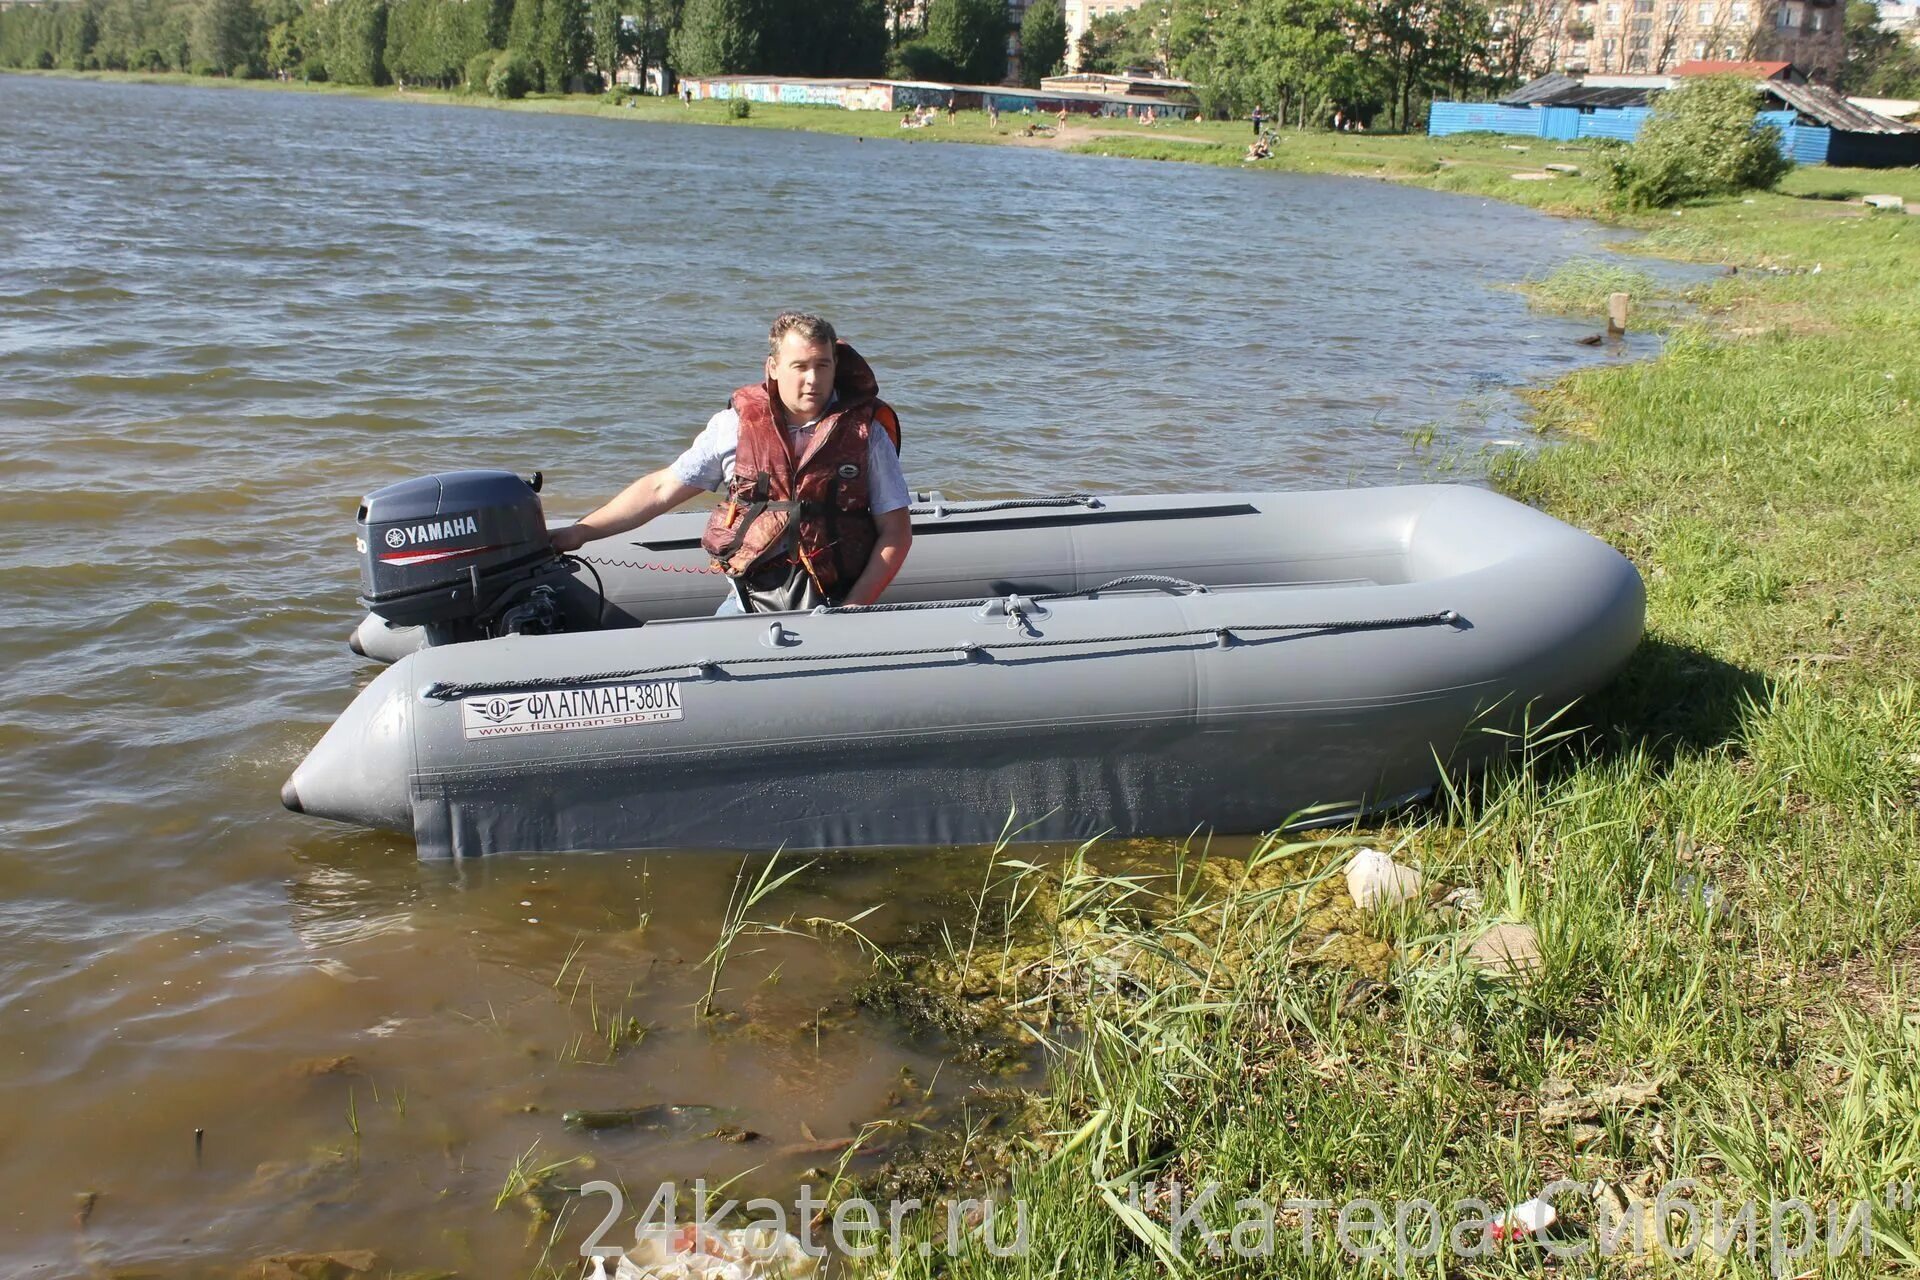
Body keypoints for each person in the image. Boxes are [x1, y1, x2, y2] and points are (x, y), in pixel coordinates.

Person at [550, 313, 912, 614]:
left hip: (835, 601)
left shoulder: (866, 434)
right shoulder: (733, 427)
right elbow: (661, 490)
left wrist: (853, 609)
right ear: (772, 367)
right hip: (747, 601)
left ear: (835, 366)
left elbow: (895, 533)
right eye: (799, 366)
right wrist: (581, 532)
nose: (813, 379)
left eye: (823, 365)